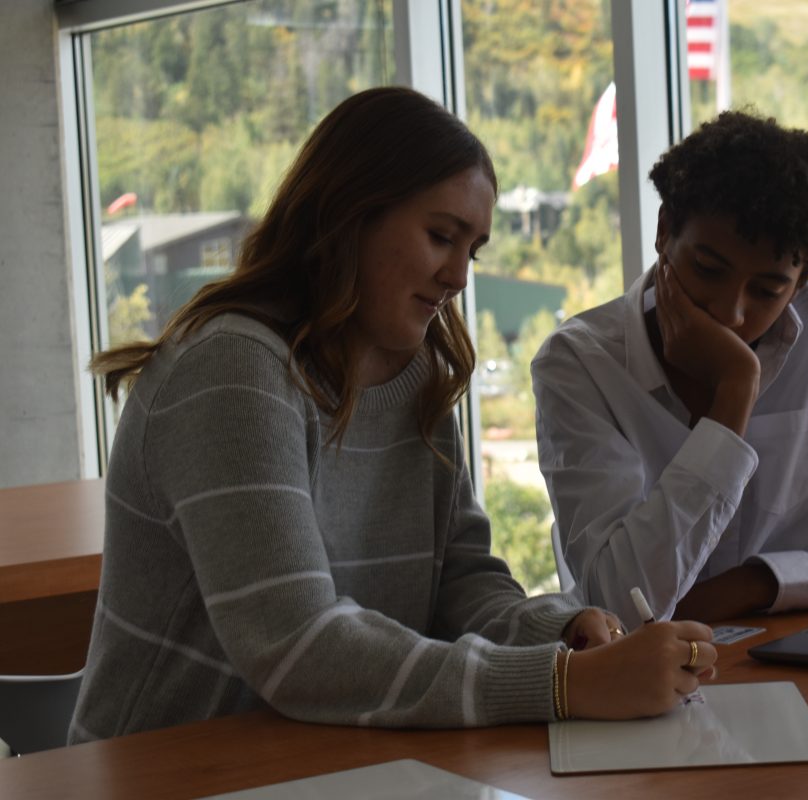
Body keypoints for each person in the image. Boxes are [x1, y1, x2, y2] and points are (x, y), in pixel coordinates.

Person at [70, 87, 716, 743]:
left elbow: (460, 587)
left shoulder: (415, 378)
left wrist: (561, 631)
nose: (461, 275)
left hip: (332, 759)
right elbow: (296, 645)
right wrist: (563, 684)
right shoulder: (231, 371)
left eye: (474, 249)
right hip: (167, 770)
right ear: (346, 214)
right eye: (441, 236)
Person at [532, 109, 808, 630]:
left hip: (805, 659)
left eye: (767, 291)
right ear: (664, 230)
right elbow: (621, 605)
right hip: (642, 685)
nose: (730, 312)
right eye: (707, 270)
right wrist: (734, 395)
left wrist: (758, 584)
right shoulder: (580, 363)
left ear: (800, 283)